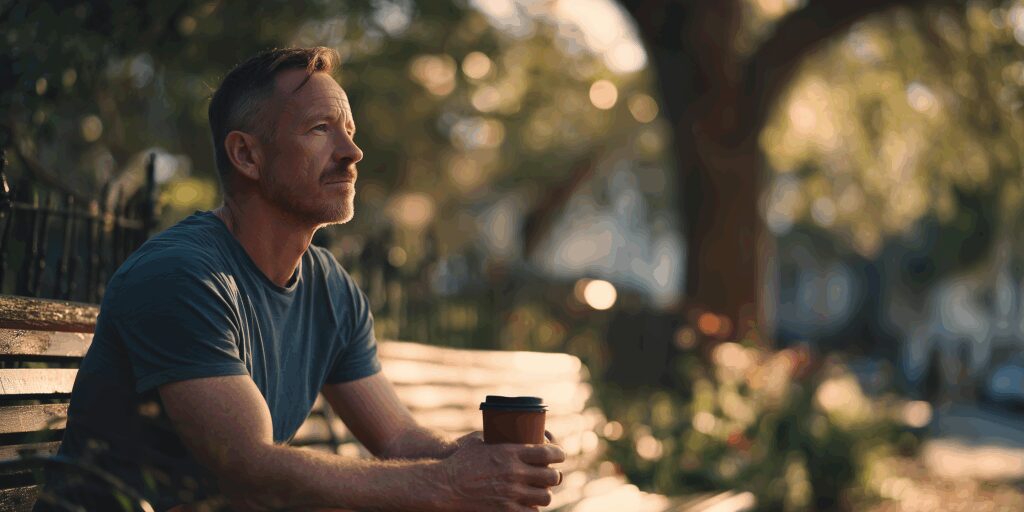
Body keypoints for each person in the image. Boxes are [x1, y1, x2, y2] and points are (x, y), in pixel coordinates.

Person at [36, 47, 564, 511]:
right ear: (246, 155)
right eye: (320, 130)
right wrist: (447, 485)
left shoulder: (328, 287)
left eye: (349, 133)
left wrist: (474, 461)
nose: (351, 154)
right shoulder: (182, 275)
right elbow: (249, 468)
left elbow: (398, 436)